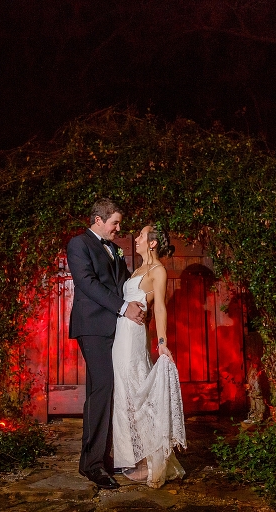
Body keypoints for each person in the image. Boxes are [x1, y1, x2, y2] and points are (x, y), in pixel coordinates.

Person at [67, 198, 145, 490]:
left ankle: (97, 457)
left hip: (116, 328)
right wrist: (124, 308)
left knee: (110, 389)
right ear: (98, 220)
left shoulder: (114, 248)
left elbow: (123, 283)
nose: (119, 228)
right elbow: (87, 283)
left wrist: (144, 290)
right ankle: (94, 465)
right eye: (115, 223)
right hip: (93, 327)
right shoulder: (79, 244)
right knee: (104, 387)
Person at [112, 222, 187, 488]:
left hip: (133, 337)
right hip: (121, 335)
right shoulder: (138, 269)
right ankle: (136, 457)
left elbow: (160, 309)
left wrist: (163, 342)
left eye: (141, 236)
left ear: (152, 243)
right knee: (125, 394)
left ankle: (151, 463)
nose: (136, 239)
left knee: (136, 394)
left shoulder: (157, 270)